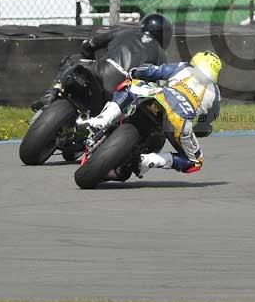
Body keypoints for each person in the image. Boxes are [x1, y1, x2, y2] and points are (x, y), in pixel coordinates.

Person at [83, 50, 222, 179]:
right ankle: (149, 161)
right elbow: (207, 123)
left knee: (130, 84)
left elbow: (154, 71)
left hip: (160, 96)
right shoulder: (216, 95)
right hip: (180, 121)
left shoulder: (184, 67)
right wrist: (198, 130)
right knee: (195, 162)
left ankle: (102, 120)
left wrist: (135, 72)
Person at [31, 13, 171, 111]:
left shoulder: (125, 31)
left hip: (101, 72)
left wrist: (88, 54)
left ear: (144, 24)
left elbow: (90, 44)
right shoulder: (162, 56)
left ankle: (51, 93)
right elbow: (158, 87)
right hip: (123, 92)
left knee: (72, 60)